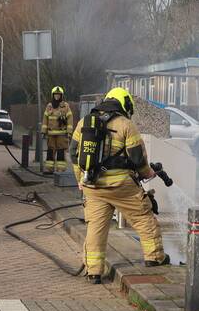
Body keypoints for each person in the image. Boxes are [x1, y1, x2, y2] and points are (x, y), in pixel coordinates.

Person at [69, 87, 169, 284]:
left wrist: (80, 179)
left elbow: (74, 155)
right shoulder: (125, 124)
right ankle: (154, 257)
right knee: (143, 217)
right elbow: (138, 158)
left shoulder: (84, 123)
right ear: (124, 104)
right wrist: (148, 173)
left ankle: (94, 271)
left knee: (96, 228)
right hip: (121, 186)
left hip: (93, 187)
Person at [41, 86, 73, 173]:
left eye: (59, 95)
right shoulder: (49, 106)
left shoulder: (65, 106)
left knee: (61, 152)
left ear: (61, 96)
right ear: (53, 95)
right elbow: (45, 119)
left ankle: (61, 169)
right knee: (50, 151)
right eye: (55, 95)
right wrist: (43, 131)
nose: (57, 96)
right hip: (51, 134)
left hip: (62, 134)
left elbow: (70, 119)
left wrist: (69, 132)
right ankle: (49, 169)